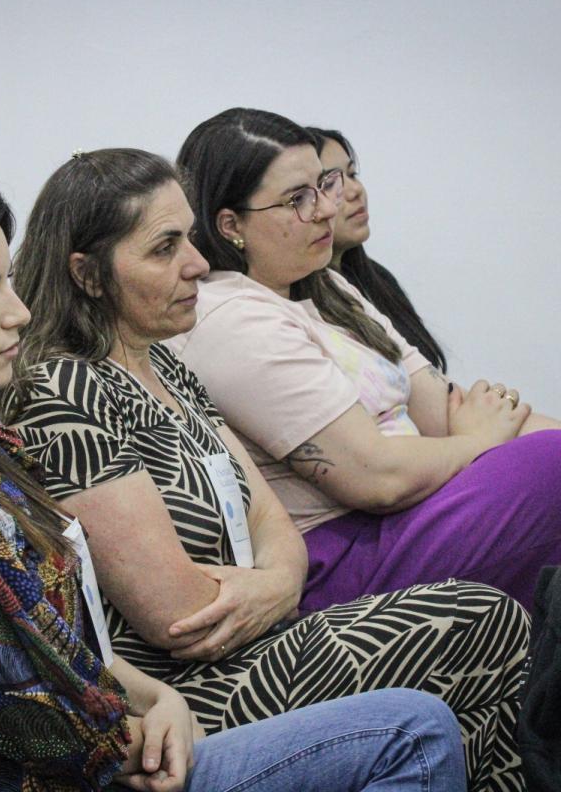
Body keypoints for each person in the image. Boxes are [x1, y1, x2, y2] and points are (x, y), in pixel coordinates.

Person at [0, 165, 467, 792]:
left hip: (129, 724)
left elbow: (70, 644)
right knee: (416, 728)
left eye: (7, 284)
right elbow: (42, 726)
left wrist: (160, 699)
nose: (18, 312)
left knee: (457, 662)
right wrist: (156, 719)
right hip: (93, 771)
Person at [0, 147, 529, 791]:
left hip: (261, 637)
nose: (197, 264)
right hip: (182, 698)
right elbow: (177, 616)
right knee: (483, 621)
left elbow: (271, 521)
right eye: (164, 248)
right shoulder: (63, 391)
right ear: (89, 274)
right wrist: (276, 585)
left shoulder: (165, 366)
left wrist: (276, 583)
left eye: (189, 238)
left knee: (488, 656)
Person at [171, 106, 561, 614]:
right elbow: (377, 479)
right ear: (231, 225)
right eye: (297, 199)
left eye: (324, 185)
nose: (326, 210)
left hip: (416, 507)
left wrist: (484, 435)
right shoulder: (230, 318)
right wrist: (479, 442)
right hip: (344, 554)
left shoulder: (326, 284)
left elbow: (444, 409)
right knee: (550, 462)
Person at [308, 126, 447, 372]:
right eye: (330, 184)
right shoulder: (303, 305)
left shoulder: (375, 278)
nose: (355, 191)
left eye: (352, 174)